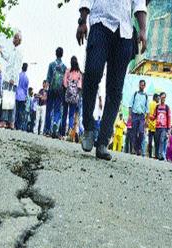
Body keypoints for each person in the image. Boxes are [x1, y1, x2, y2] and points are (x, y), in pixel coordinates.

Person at [77, 0, 147, 160]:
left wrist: (143, 30)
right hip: (100, 25)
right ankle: (88, 126)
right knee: (92, 73)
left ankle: (102, 142)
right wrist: (82, 21)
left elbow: (139, 4)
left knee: (115, 89)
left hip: (124, 32)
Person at [0, 32, 23, 129]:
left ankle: (6, 121)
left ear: (19, 40)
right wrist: (1, 51)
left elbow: (17, 66)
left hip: (12, 78)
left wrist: (12, 78)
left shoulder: (19, 51)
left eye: (15, 38)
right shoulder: (12, 50)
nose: (13, 39)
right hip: (8, 77)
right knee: (9, 100)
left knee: (8, 99)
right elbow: (7, 57)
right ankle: (10, 122)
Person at [45, 47, 67, 138]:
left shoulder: (51, 65)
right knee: (57, 109)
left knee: (49, 109)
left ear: (56, 53)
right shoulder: (64, 67)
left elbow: (48, 79)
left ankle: (47, 130)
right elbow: (65, 82)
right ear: (62, 54)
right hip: (59, 91)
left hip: (51, 89)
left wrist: (46, 91)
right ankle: (55, 122)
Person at [62, 56, 83, 138]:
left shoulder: (67, 71)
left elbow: (64, 83)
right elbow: (80, 86)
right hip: (74, 97)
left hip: (67, 95)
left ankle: (62, 133)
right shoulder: (79, 73)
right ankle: (70, 131)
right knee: (71, 115)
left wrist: (68, 88)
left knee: (64, 114)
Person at [129, 80, 148, 155]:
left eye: (143, 85)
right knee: (133, 132)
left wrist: (147, 120)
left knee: (141, 132)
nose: (141, 86)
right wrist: (130, 115)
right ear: (139, 85)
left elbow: (147, 109)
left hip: (142, 116)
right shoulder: (135, 94)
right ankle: (133, 148)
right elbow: (130, 105)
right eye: (140, 85)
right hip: (134, 115)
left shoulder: (146, 96)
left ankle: (138, 148)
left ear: (144, 86)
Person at [151, 92, 171, 161]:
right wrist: (148, 117)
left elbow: (169, 118)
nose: (163, 99)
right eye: (162, 97)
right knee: (156, 141)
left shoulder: (167, 107)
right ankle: (157, 155)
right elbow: (154, 116)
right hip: (157, 127)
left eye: (164, 97)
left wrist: (168, 129)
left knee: (162, 140)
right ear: (160, 98)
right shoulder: (157, 107)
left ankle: (160, 155)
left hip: (164, 128)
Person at [15, 63, 29, 131]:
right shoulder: (26, 78)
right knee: (21, 112)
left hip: (17, 94)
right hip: (23, 96)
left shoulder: (18, 75)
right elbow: (26, 89)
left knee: (16, 110)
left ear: (21, 67)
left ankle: (14, 124)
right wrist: (26, 97)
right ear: (26, 69)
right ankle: (19, 126)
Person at [147, 93, 159, 158]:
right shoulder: (157, 105)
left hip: (150, 126)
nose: (159, 99)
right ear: (155, 98)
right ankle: (156, 155)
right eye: (158, 98)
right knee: (156, 142)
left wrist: (147, 122)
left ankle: (150, 155)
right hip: (156, 126)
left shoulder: (149, 104)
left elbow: (147, 113)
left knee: (150, 141)